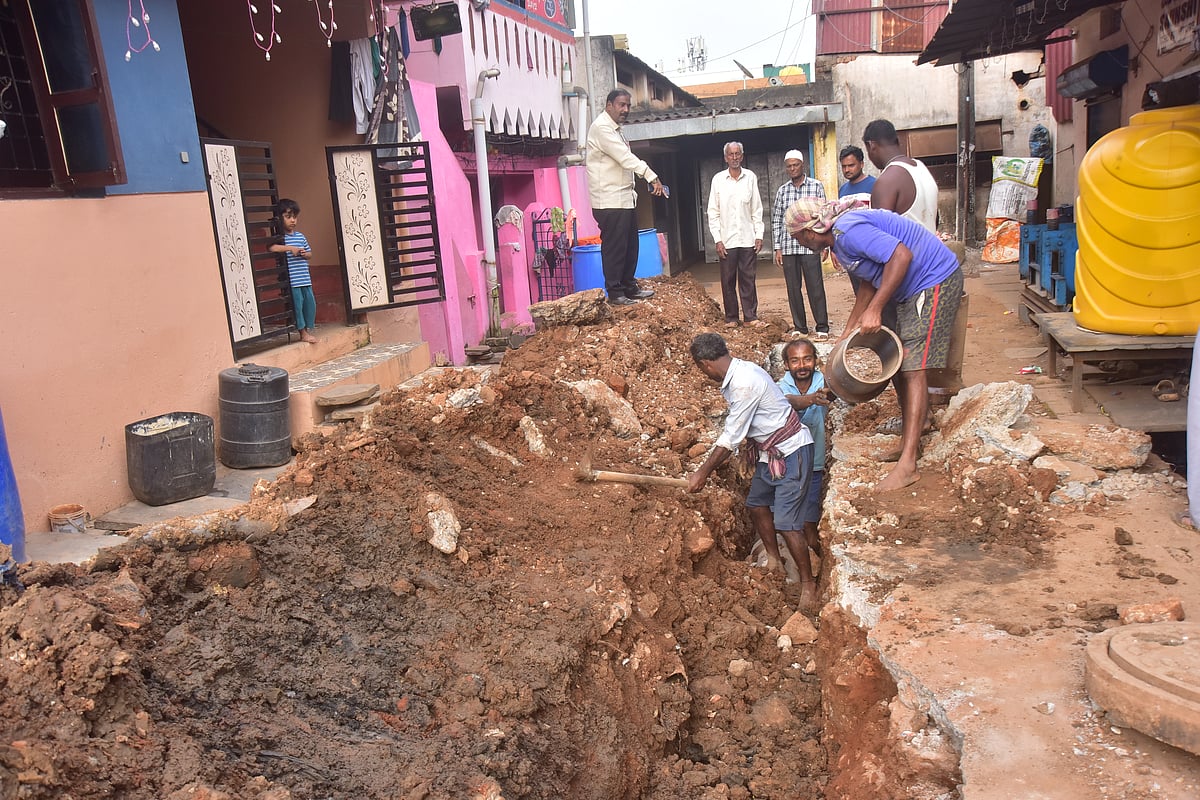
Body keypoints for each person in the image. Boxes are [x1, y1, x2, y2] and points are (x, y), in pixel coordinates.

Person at [787, 198, 963, 492]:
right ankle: (912, 440)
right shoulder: (839, 245)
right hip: (913, 287)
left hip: (933, 281)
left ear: (808, 232)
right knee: (899, 364)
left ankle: (908, 465)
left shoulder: (848, 231)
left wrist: (877, 309)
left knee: (912, 368)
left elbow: (901, 256)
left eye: (798, 239)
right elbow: (870, 281)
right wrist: (847, 333)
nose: (802, 246)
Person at [688, 332, 818, 606]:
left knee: (787, 523)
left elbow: (731, 437)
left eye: (701, 369)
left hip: (792, 452)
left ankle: (808, 584)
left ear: (705, 364)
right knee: (757, 503)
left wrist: (702, 472)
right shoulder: (741, 371)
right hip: (770, 453)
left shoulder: (744, 383)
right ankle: (773, 558)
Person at [585, 89, 664, 307]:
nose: (625, 110)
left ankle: (629, 286)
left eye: (628, 105)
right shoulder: (602, 128)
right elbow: (625, 157)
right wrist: (650, 175)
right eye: (621, 105)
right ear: (609, 105)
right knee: (615, 248)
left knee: (630, 245)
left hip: (624, 199)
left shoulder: (616, 130)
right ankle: (615, 292)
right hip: (609, 201)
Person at [778, 338, 832, 571]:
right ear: (786, 365)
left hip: (815, 465)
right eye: (795, 361)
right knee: (788, 522)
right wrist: (811, 399)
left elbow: (845, 390)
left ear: (816, 360)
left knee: (810, 523)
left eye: (807, 359)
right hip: (787, 465)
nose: (802, 365)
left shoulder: (825, 382)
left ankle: (815, 568)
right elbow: (788, 402)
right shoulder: (781, 388)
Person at [771, 149, 830, 340]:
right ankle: (800, 327)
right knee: (793, 288)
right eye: (789, 166)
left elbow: (825, 216)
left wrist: (824, 244)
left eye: (796, 165)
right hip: (789, 246)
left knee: (815, 286)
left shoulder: (816, 186)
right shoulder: (783, 191)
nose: (793, 169)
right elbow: (777, 220)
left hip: (811, 245)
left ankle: (822, 326)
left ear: (802, 165)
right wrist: (777, 247)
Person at [707, 142, 766, 328]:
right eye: (731, 154)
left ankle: (750, 317)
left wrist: (759, 234)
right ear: (725, 158)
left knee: (748, 279)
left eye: (737, 154)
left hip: (747, 238)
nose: (734, 157)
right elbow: (713, 212)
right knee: (728, 280)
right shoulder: (718, 180)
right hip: (727, 240)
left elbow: (756, 208)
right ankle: (732, 317)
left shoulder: (750, 177)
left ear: (742, 156)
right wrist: (717, 239)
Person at [863, 119, 939, 231]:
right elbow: (935, 218)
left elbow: (879, 237)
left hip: (907, 248)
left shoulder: (887, 180)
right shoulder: (920, 167)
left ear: (872, 145)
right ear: (897, 140)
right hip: (931, 246)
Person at [270, 198, 318, 344]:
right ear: (280, 218)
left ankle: (308, 329)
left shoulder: (300, 236)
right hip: (293, 281)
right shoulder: (281, 238)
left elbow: (310, 254)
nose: (292, 220)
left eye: (294, 217)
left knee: (310, 305)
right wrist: (290, 249)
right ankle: (303, 333)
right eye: (288, 217)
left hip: (304, 279)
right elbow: (272, 247)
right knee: (297, 308)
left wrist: (304, 254)